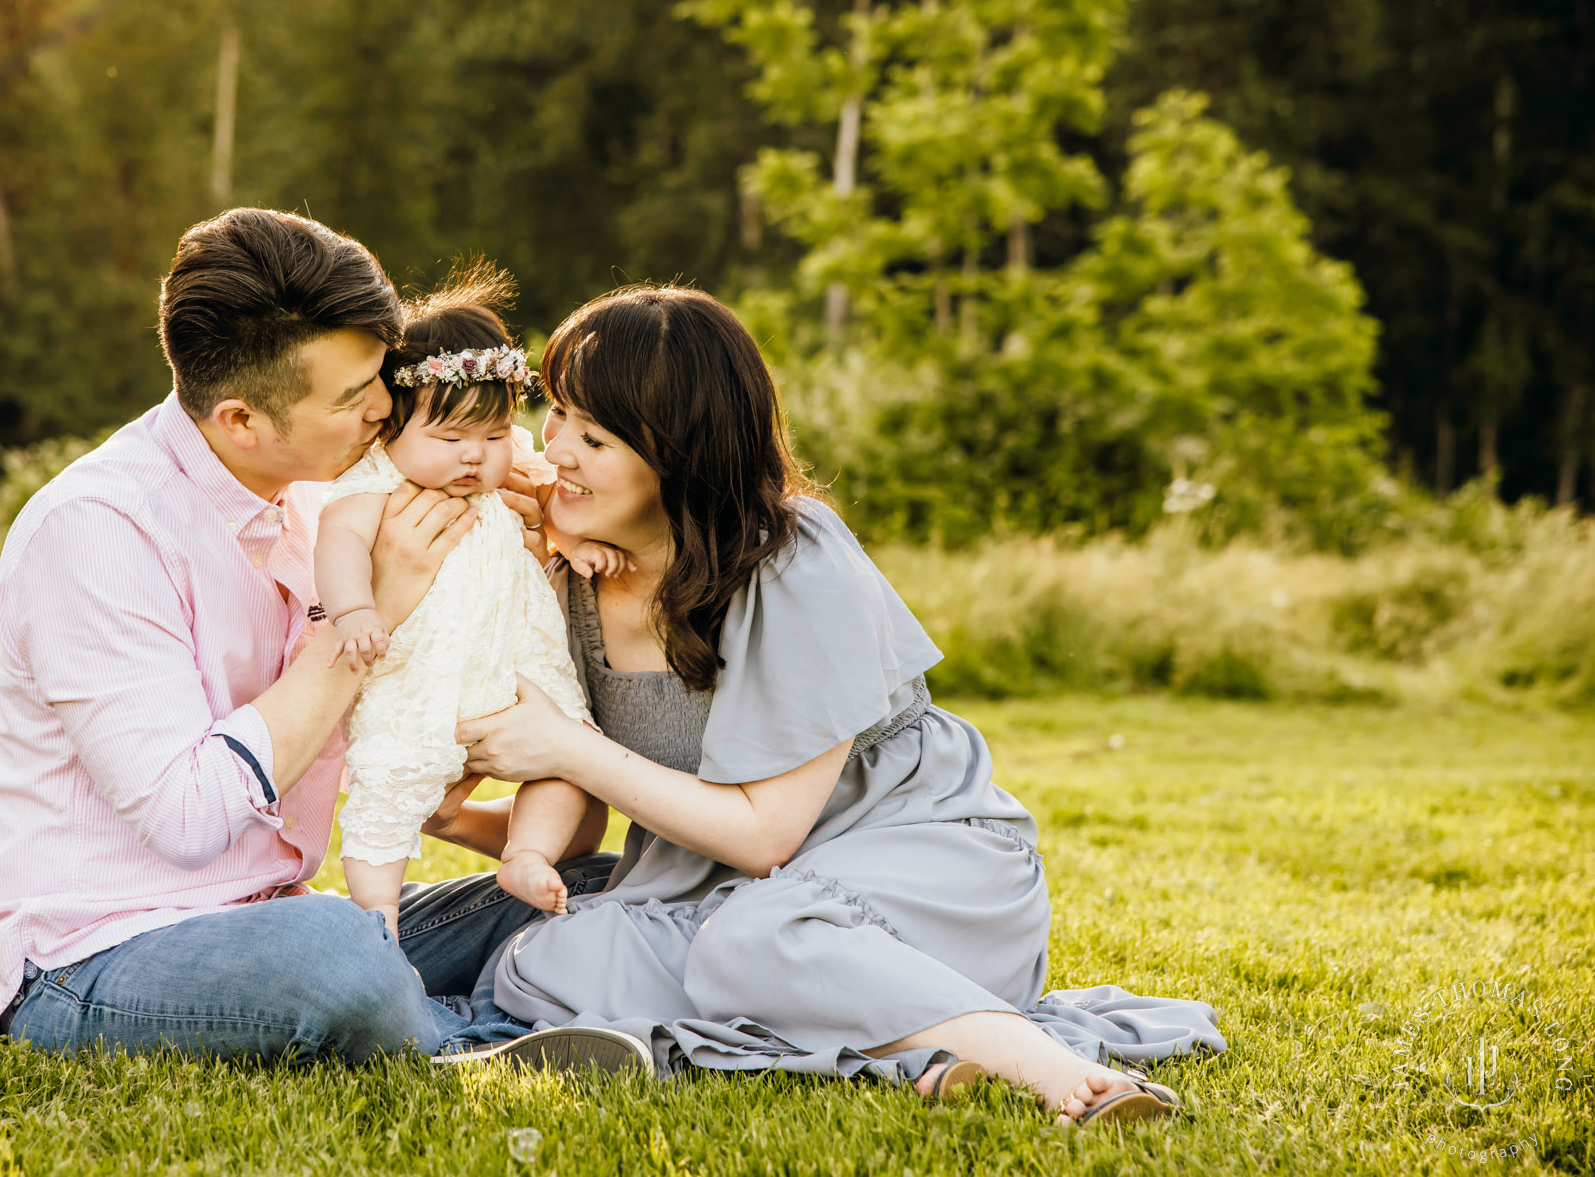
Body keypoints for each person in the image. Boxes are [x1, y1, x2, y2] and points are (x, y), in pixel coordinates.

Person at [452, 285, 1227, 1124]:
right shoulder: (569, 577)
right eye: (556, 414)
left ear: (677, 456)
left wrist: (563, 745)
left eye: (593, 437)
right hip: (719, 896)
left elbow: (763, 837)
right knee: (549, 959)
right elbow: (585, 824)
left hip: (913, 866)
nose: (555, 449)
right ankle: (911, 1056)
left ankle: (1056, 1072)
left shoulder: (792, 557)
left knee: (760, 940)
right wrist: (443, 809)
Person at [0, 208, 642, 1071]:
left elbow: (504, 474)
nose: (388, 409)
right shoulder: (96, 531)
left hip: (269, 917)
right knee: (332, 951)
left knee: (601, 886)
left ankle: (467, 1000)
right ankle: (484, 1035)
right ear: (243, 419)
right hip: (96, 960)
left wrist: (549, 530)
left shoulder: (330, 486)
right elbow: (185, 819)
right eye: (357, 398)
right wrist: (374, 613)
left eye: (382, 380)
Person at [312, 263, 618, 934]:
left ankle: (528, 853)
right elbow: (337, 541)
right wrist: (355, 609)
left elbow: (548, 500)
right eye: (450, 440)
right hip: (419, 672)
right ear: (390, 425)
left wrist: (573, 539)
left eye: (492, 436)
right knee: (390, 787)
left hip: (514, 657)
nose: (475, 458)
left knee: (571, 754)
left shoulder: (507, 467)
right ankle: (378, 920)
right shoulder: (376, 482)